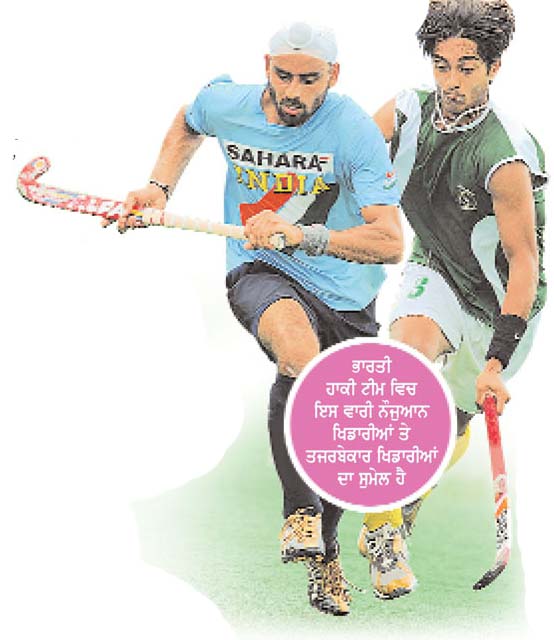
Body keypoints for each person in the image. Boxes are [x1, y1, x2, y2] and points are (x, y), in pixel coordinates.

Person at [112, 22, 403, 616]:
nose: (293, 91)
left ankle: (325, 552)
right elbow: (189, 119)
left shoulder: (353, 131)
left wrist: (303, 234)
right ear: (266, 65)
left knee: (335, 429)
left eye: (309, 80)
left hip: (347, 294)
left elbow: (390, 241)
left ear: (334, 75)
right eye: (283, 75)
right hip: (260, 269)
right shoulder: (231, 103)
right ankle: (299, 514)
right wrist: (158, 186)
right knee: (300, 355)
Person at [357, 0, 547, 600]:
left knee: (450, 423)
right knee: (402, 377)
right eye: (442, 66)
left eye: (467, 68)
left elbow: (524, 262)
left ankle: (412, 489)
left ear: (494, 67)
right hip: (435, 269)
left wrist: (496, 360)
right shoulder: (407, 112)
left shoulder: (506, 154)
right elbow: (345, 158)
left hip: (501, 303)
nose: (452, 82)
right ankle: (385, 534)